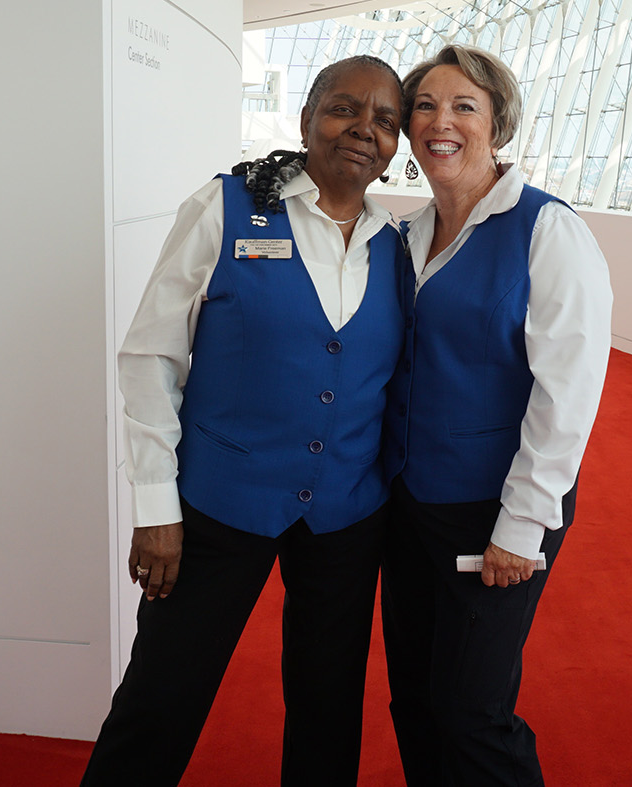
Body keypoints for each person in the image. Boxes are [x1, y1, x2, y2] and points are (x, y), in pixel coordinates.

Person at [80, 55, 405, 787]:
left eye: (385, 120)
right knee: (162, 698)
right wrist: (156, 505)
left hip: (347, 516)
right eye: (345, 108)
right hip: (218, 506)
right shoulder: (225, 207)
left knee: (328, 708)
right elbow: (149, 356)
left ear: (396, 146)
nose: (364, 129)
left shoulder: (398, 246)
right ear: (306, 118)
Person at [381, 44, 613, 786]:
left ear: (498, 124)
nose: (439, 122)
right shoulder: (407, 235)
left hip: (496, 509)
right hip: (409, 505)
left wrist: (523, 524)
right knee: (413, 696)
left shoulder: (548, 230)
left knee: (472, 712)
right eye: (424, 106)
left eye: (463, 106)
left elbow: (567, 391)